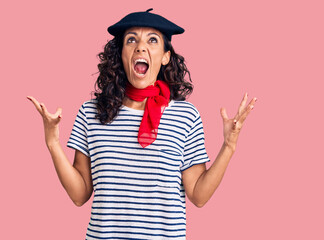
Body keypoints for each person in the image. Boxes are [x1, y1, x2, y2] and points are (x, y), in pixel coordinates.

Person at [27, 8, 257, 240]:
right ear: (121, 54)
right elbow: (79, 195)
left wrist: (229, 145)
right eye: (131, 40)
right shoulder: (91, 113)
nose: (140, 46)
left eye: (152, 40)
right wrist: (52, 142)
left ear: (165, 56)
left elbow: (198, 195)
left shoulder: (186, 116)